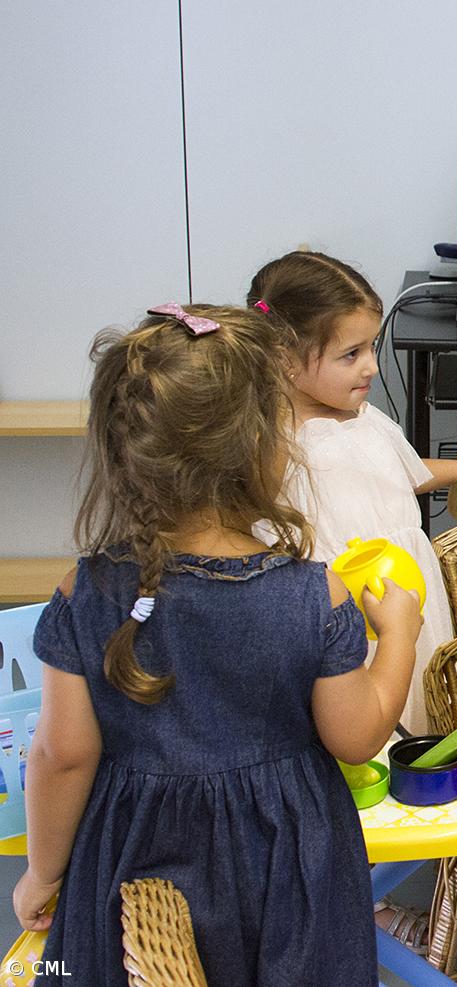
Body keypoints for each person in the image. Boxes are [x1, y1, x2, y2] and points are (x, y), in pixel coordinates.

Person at [13, 303, 421, 986]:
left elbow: (61, 755)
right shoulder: (314, 596)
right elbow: (356, 736)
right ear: (265, 449)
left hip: (134, 866)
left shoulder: (86, 591)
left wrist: (42, 874)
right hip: (289, 871)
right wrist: (400, 635)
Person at [248, 250, 457, 734]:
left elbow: (396, 473)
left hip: (405, 598)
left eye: (372, 346)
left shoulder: (363, 415)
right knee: (360, 720)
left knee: (418, 706)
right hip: (344, 610)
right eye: (351, 354)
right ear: (283, 360)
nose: (370, 367)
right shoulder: (278, 439)